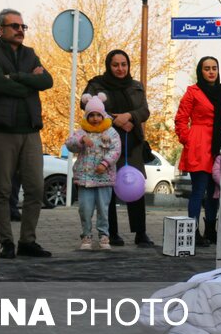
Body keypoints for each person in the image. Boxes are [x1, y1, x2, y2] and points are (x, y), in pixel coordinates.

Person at [0, 8, 53, 258]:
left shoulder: (30, 54)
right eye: (15, 26)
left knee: (35, 188)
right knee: (1, 188)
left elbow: (46, 82)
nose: (20, 30)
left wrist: (17, 77)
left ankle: (27, 241)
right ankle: (6, 242)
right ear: (1, 29)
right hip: (2, 130)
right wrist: (28, 84)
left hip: (30, 130)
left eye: (23, 27)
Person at [86, 50, 155, 247]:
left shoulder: (136, 86)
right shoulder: (97, 84)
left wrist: (130, 116)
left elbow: (144, 110)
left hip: (132, 142)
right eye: (115, 65)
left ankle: (140, 233)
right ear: (109, 65)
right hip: (105, 143)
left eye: (124, 64)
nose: (120, 68)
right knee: (108, 188)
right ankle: (111, 233)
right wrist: (116, 119)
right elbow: (88, 107)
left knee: (135, 185)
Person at [175, 56, 221, 246]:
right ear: (200, 71)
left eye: (214, 68)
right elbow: (181, 119)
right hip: (198, 145)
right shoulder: (192, 92)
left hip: (219, 146)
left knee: (215, 191)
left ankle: (211, 230)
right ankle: (193, 232)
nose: (211, 72)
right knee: (198, 190)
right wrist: (188, 139)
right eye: (207, 68)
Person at [65, 93, 121, 251]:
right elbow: (69, 144)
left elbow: (116, 150)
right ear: (87, 116)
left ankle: (104, 235)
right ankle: (86, 235)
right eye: (91, 115)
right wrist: (80, 141)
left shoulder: (110, 133)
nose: (95, 118)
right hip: (85, 179)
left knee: (103, 209)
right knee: (85, 208)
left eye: (98, 115)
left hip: (104, 179)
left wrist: (105, 163)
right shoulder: (82, 132)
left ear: (103, 115)